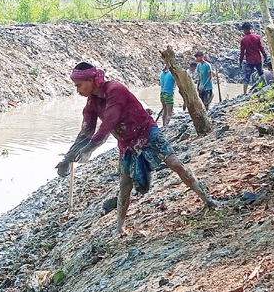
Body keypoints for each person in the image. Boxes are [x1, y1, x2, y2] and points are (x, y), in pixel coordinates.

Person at [55, 63, 221, 236]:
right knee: (125, 183)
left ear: (90, 80)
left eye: (79, 85)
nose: (77, 90)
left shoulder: (115, 90)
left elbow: (107, 126)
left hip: (146, 131)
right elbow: (85, 133)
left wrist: (88, 150)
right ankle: (119, 227)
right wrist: (67, 159)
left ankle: (208, 200)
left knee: (175, 163)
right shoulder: (92, 103)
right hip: (126, 142)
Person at [239, 22, 268, 87]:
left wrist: (240, 62)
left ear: (245, 30)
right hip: (258, 59)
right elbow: (261, 48)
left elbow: (242, 53)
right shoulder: (257, 37)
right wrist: (265, 57)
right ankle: (266, 85)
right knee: (261, 73)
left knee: (247, 77)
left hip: (250, 61)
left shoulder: (244, 40)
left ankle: (244, 93)